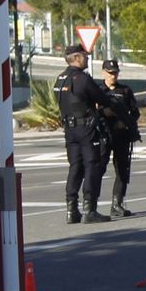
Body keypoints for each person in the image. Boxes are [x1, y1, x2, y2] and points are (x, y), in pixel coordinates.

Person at [54, 47, 113, 224]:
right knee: (91, 166)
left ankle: (71, 209)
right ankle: (90, 209)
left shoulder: (60, 79)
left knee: (75, 167)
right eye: (85, 57)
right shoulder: (83, 79)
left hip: (69, 129)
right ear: (77, 58)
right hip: (85, 129)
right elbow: (103, 99)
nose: (87, 59)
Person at [97, 59, 141, 218]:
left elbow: (135, 112)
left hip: (122, 136)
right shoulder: (98, 90)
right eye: (110, 73)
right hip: (103, 135)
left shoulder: (125, 91)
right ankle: (92, 205)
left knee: (122, 171)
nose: (113, 76)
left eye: (115, 73)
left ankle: (117, 204)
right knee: (98, 169)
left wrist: (127, 122)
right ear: (103, 73)